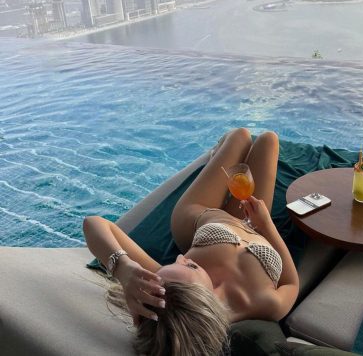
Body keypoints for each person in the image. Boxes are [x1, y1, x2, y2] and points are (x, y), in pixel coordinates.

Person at [83, 128, 299, 356]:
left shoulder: (165, 289)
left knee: (240, 136)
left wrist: (124, 269)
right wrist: (266, 225)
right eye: (191, 266)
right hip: (253, 220)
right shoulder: (262, 302)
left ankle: (217, 154)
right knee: (268, 140)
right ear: (203, 298)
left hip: (196, 214)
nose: (180, 257)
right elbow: (291, 283)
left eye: (176, 262)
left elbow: (94, 224)